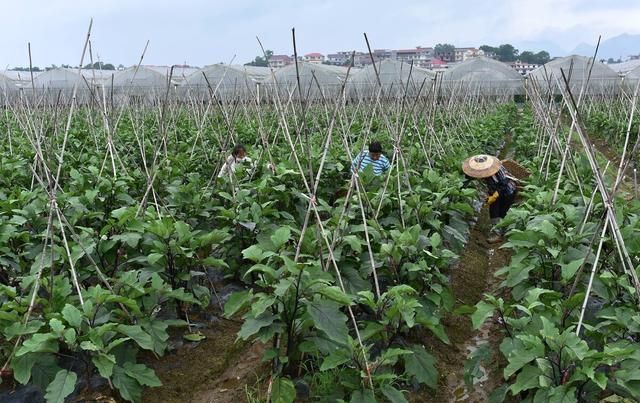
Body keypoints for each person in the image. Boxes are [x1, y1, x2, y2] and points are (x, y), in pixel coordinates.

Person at [462, 154, 518, 244]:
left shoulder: (496, 170)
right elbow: (472, 176)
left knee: (500, 212)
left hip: (508, 191)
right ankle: (498, 231)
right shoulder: (485, 173)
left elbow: (505, 183)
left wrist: (495, 195)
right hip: (496, 192)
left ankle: (499, 234)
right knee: (494, 211)